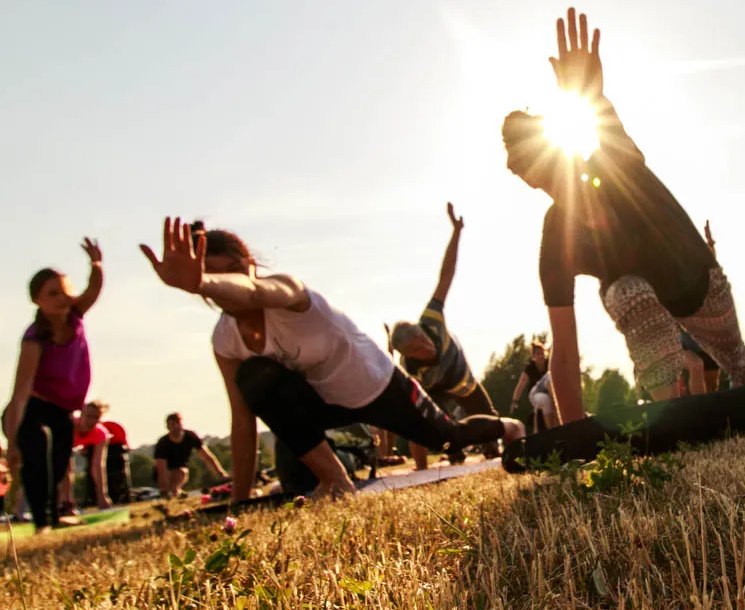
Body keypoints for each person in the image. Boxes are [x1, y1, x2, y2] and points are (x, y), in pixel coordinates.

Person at [501, 8, 745, 430]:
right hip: (643, 298)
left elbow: (607, 125)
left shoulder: (610, 163)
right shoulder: (556, 233)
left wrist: (591, 93)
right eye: (526, 165)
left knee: (743, 368)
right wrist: (575, 440)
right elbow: (563, 349)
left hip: (699, 285)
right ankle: (677, 417)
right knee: (626, 291)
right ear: (525, 177)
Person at [140, 220, 523, 504]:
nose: (228, 284)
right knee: (257, 380)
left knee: (446, 437)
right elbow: (242, 419)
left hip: (377, 386)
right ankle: (336, 479)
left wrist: (203, 282)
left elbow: (255, 291)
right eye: (213, 276)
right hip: (321, 403)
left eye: (233, 272)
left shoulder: (288, 290)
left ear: (251, 264)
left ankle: (508, 426)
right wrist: (240, 502)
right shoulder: (225, 340)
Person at [1, 238, 103, 534]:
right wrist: (11, 444)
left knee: (59, 465)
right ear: (38, 301)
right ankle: (41, 523)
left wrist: (96, 264)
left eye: (64, 291)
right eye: (52, 294)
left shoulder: (75, 315)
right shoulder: (35, 339)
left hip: (61, 410)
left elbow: (94, 290)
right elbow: (19, 396)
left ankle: (54, 515)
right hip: (32, 409)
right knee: (36, 456)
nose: (62, 298)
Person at [388, 204, 502, 468]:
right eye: (418, 349)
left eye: (423, 339)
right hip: (435, 389)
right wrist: (420, 471)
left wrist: (456, 232)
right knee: (438, 425)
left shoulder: (431, 318)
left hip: (461, 377)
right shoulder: (411, 370)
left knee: (488, 416)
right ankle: (454, 453)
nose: (426, 347)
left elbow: (446, 275)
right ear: (408, 355)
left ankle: (492, 449)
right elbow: (412, 420)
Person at [153, 412, 225, 499]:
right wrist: (163, 490)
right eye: (172, 424)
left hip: (181, 470)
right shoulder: (163, 443)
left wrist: (221, 475)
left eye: (178, 423)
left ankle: (175, 492)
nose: (175, 427)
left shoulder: (190, 436)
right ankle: (172, 493)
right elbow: (161, 469)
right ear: (168, 427)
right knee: (180, 473)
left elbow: (207, 457)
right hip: (166, 472)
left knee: (182, 472)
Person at [72, 401, 129, 508]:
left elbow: (98, 465)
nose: (91, 421)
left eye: (95, 417)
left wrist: (102, 496)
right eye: (88, 416)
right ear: (81, 415)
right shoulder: (70, 426)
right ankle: (64, 503)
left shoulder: (101, 433)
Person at [507, 340, 558, 433]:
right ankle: (552, 429)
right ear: (533, 357)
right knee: (548, 378)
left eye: (542, 353)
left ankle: (555, 427)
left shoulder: (549, 364)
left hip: (547, 394)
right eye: (538, 354)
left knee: (545, 399)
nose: (541, 356)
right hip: (534, 394)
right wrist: (514, 402)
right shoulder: (530, 367)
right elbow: (520, 385)